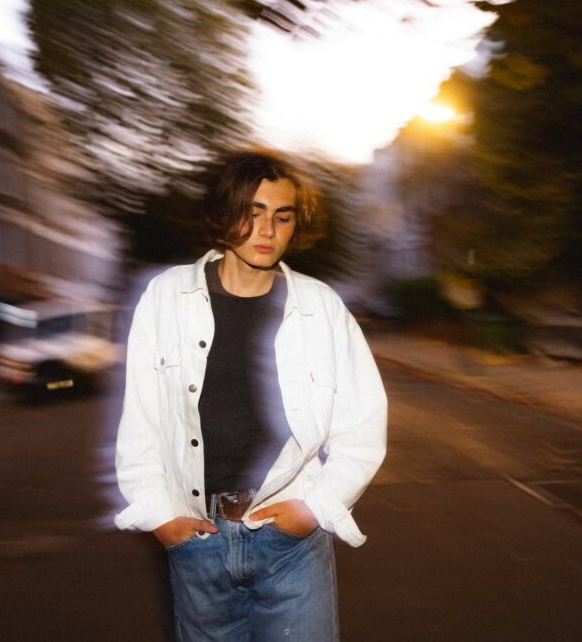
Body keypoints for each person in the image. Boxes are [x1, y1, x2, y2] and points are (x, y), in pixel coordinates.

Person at [115, 150, 387, 641]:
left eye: (282, 217)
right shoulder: (166, 297)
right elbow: (142, 420)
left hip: (291, 544)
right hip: (197, 536)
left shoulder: (320, 308)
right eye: (253, 212)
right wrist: (161, 518)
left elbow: (363, 427)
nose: (267, 230)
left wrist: (314, 510)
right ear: (224, 216)